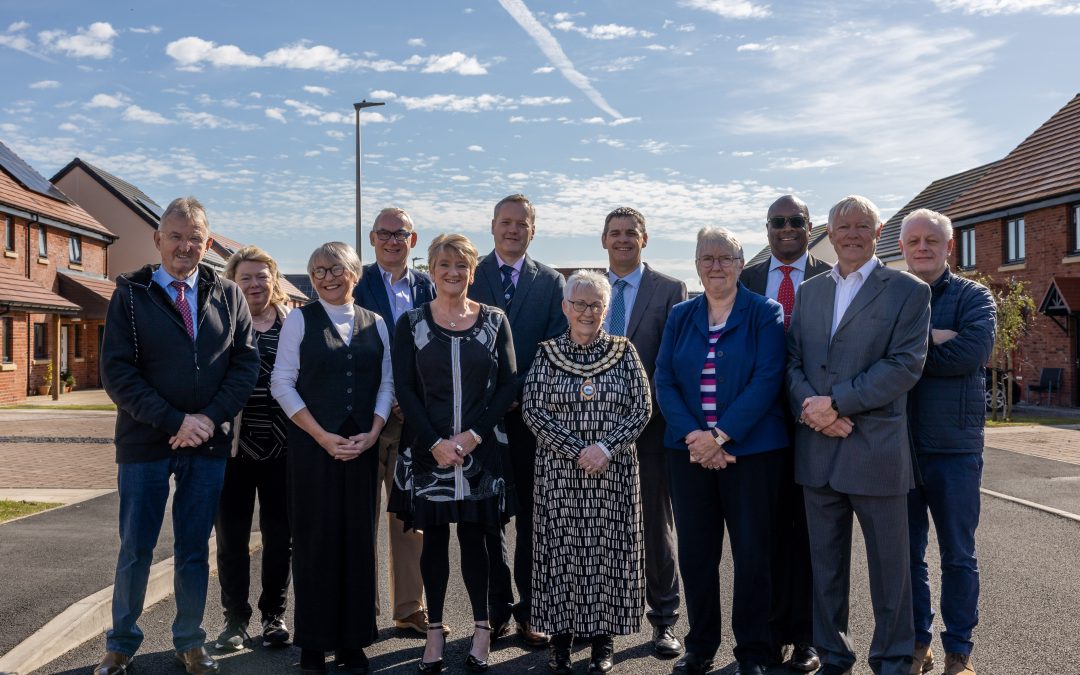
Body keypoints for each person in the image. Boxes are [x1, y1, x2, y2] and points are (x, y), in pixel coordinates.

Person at [97, 197, 259, 675]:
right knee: (136, 548)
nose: (185, 246)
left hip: (207, 444)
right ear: (158, 240)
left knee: (193, 549)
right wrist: (175, 421)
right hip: (145, 443)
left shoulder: (227, 294)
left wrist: (207, 418)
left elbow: (244, 364)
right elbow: (118, 373)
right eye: (176, 236)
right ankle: (120, 645)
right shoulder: (130, 293)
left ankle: (190, 640)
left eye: (195, 238)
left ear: (207, 243)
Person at [787, 195, 931, 675]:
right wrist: (814, 411)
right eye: (842, 226)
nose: (851, 234)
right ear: (827, 231)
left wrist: (837, 404)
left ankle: (891, 660)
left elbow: (904, 365)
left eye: (861, 225)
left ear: (878, 230)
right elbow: (792, 364)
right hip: (817, 451)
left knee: (891, 572)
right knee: (825, 569)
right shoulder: (810, 291)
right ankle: (833, 654)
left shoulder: (908, 291)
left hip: (877, 451)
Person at [655, 227, 788, 675]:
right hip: (689, 454)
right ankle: (701, 646)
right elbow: (665, 381)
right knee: (696, 554)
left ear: (740, 263)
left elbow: (768, 378)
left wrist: (721, 436)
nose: (716, 266)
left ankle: (752, 651)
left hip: (751, 454)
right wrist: (696, 436)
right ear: (696, 264)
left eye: (726, 258)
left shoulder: (765, 312)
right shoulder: (681, 315)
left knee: (753, 554)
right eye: (707, 258)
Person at [390, 233, 518, 673]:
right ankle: (435, 632)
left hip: (480, 456)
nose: (452, 272)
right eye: (443, 264)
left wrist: (472, 437)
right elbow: (405, 387)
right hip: (430, 455)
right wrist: (435, 442)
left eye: (461, 265)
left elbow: (508, 385)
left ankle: (483, 629)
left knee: (478, 544)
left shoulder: (494, 320)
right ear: (431, 268)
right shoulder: (410, 323)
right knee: (434, 545)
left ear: (472, 270)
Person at [270, 242, 393, 674]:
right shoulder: (299, 321)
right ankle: (314, 643)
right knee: (314, 542)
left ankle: (354, 642)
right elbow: (282, 384)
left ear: (354, 273)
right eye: (318, 270)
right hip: (312, 449)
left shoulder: (376, 323)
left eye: (335, 268)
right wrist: (321, 436)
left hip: (362, 446)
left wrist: (374, 430)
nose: (327, 277)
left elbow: (386, 383)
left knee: (358, 540)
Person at [523, 270, 652, 675]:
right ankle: (560, 642)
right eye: (579, 303)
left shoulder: (624, 350)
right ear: (565, 307)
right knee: (561, 553)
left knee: (607, 553)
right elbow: (532, 409)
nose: (587, 311)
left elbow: (642, 408)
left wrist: (605, 448)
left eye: (595, 304)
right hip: (560, 474)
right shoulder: (546, 353)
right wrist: (578, 449)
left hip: (612, 474)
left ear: (605, 309)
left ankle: (602, 641)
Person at [468, 193, 567, 648]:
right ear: (492, 226)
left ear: (533, 228)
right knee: (488, 516)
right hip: (479, 418)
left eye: (521, 223)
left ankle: (532, 610)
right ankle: (496, 608)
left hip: (530, 418)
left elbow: (553, 347)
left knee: (530, 517)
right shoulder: (470, 273)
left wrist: (515, 391)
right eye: (505, 222)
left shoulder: (549, 282)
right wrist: (491, 397)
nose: (513, 229)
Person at [899, 209, 995, 675]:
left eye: (931, 240)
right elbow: (875, 352)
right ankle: (920, 642)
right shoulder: (892, 295)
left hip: (955, 448)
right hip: (901, 448)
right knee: (908, 556)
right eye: (914, 240)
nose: (922, 247)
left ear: (948, 247)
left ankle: (959, 651)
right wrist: (933, 339)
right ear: (902, 247)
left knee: (958, 555)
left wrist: (907, 351)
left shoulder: (975, 296)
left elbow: (971, 353)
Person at [740, 194, 831, 672]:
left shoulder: (829, 277)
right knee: (767, 534)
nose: (787, 228)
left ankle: (808, 637)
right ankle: (771, 633)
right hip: (759, 428)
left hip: (817, 423)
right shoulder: (747, 280)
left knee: (813, 535)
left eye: (796, 221)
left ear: (810, 226)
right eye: (778, 221)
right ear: (767, 228)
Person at [600, 206, 687, 658]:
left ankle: (665, 620)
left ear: (645, 238)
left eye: (630, 233)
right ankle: (605, 623)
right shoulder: (586, 287)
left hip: (653, 430)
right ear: (603, 240)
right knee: (604, 527)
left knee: (657, 524)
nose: (622, 239)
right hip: (594, 432)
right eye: (614, 233)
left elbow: (674, 361)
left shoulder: (670, 290)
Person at [352, 207, 439, 635]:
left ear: (413, 239)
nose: (391, 240)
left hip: (414, 420)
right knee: (360, 518)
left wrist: (413, 402)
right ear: (371, 239)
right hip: (366, 419)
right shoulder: (355, 283)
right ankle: (360, 613)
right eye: (383, 233)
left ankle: (409, 608)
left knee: (410, 519)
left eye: (399, 233)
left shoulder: (430, 285)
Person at [213, 246, 293, 652]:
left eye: (262, 276)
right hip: (233, 450)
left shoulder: (293, 325)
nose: (255, 284)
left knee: (281, 539)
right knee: (231, 540)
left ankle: (273, 616)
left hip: (283, 450)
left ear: (274, 280)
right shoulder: (222, 323)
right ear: (232, 281)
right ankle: (234, 620)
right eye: (246, 278)